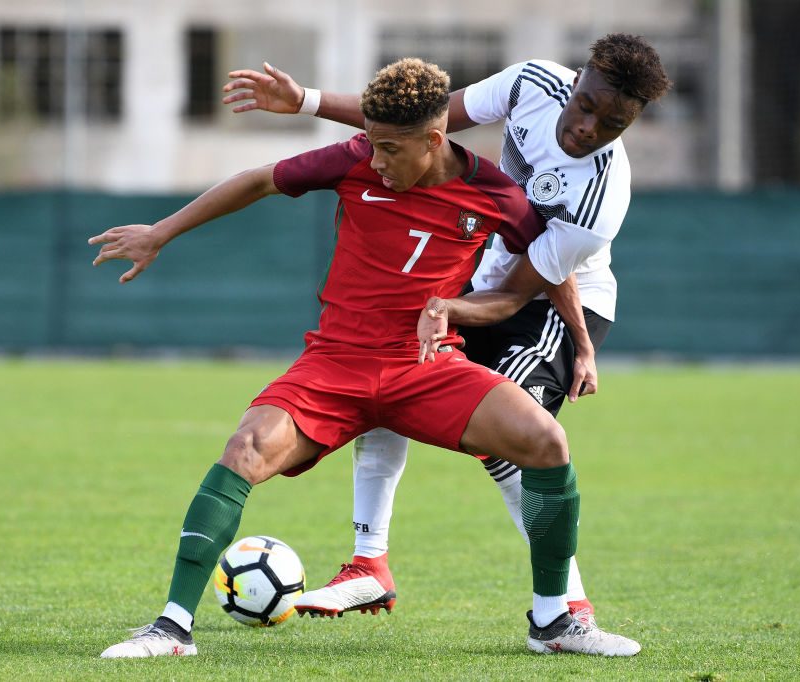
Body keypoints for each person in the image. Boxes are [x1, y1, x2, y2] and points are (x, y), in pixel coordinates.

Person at [93, 58, 640, 658]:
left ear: (433, 142)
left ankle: (553, 622)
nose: (373, 159)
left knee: (546, 442)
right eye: (372, 146)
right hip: (336, 364)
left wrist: (556, 336)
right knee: (244, 450)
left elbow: (539, 272)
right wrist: (160, 233)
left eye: (388, 149)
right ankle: (171, 628)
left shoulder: (495, 193)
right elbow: (258, 179)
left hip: (424, 368)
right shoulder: (355, 159)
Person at [221, 34, 671, 623]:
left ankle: (567, 605)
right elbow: (418, 122)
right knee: (387, 367)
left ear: (630, 123)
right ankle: (367, 564)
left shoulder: (601, 197)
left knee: (513, 444)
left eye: (611, 124)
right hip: (484, 283)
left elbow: (525, 286)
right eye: (586, 104)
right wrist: (306, 100)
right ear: (579, 78)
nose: (588, 126)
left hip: (557, 305)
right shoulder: (531, 83)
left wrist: (581, 345)